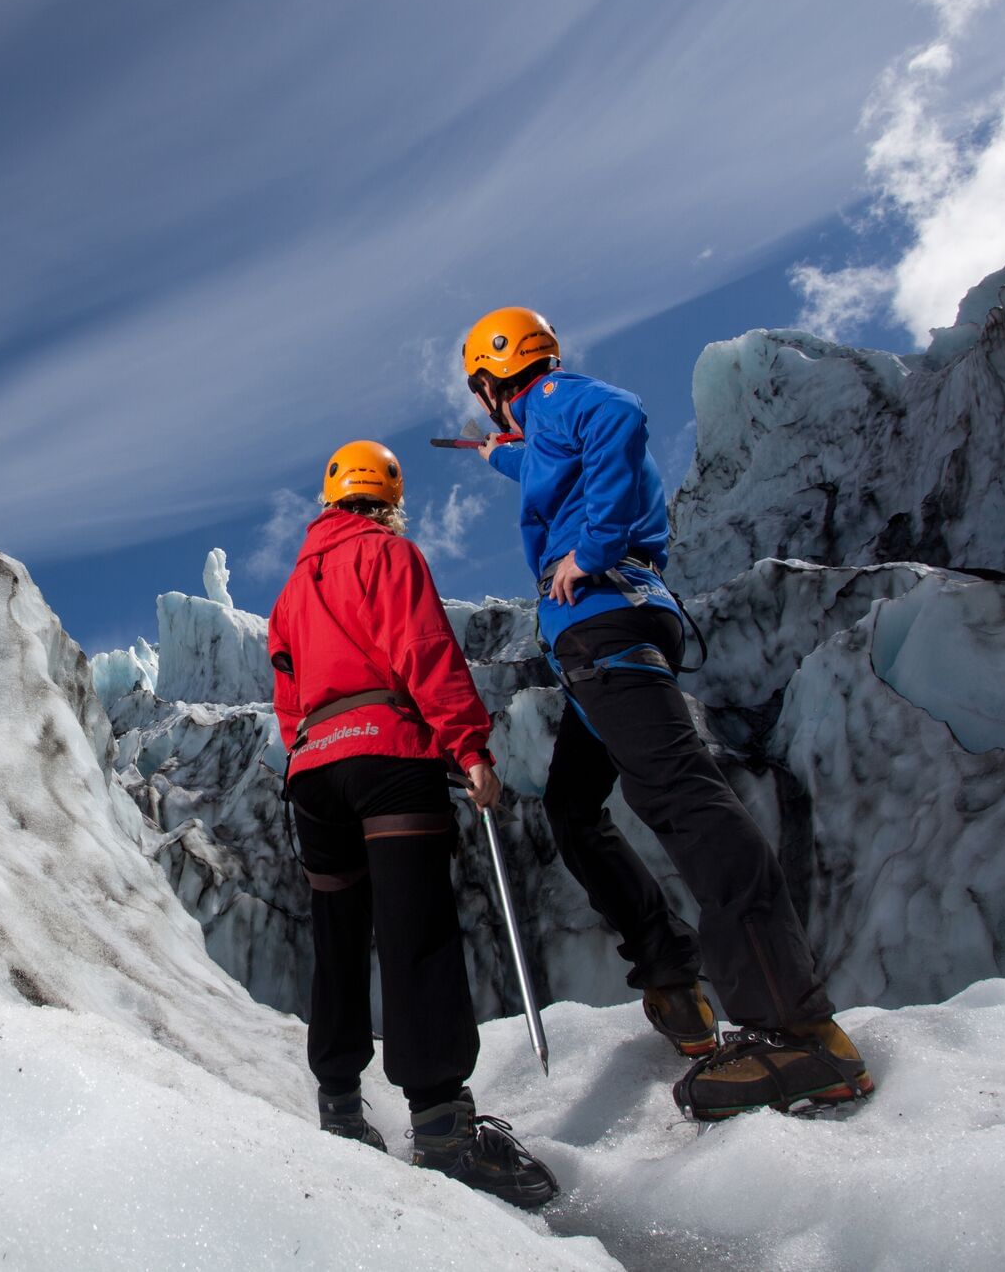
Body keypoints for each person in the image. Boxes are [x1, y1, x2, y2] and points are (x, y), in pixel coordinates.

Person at [460, 305, 873, 1121]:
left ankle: (800, 1032)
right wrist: (501, 457)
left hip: (605, 621)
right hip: (609, 634)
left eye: (485, 397)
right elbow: (556, 460)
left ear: (490, 382)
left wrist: (596, 545)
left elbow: (614, 416)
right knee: (577, 811)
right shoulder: (540, 423)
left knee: (683, 796)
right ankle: (674, 980)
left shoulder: (561, 400)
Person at [267, 439, 558, 1209]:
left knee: (337, 935)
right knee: (414, 928)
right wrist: (470, 748)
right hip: (388, 752)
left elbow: (288, 698)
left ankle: (338, 1104)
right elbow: (424, 650)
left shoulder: (293, 589)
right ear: (386, 497)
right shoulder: (387, 556)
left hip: (313, 770)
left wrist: (310, 750)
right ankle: (440, 1126)